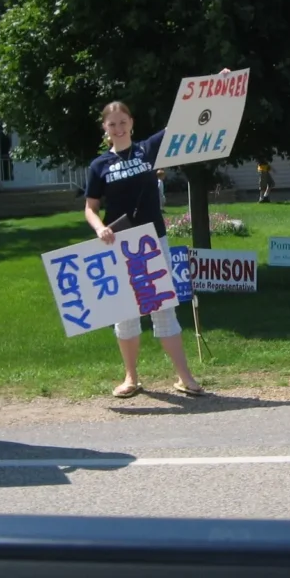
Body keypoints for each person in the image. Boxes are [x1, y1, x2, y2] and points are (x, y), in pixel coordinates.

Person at [84, 100, 206, 399]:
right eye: (112, 124)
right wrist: (100, 228)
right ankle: (131, 378)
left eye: (123, 122)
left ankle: (184, 377)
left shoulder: (148, 150)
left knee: (164, 309)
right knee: (125, 313)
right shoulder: (99, 165)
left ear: (131, 122)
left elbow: (181, 123)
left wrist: (214, 86)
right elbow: (90, 207)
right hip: (120, 244)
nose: (118, 128)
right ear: (105, 128)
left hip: (154, 241)